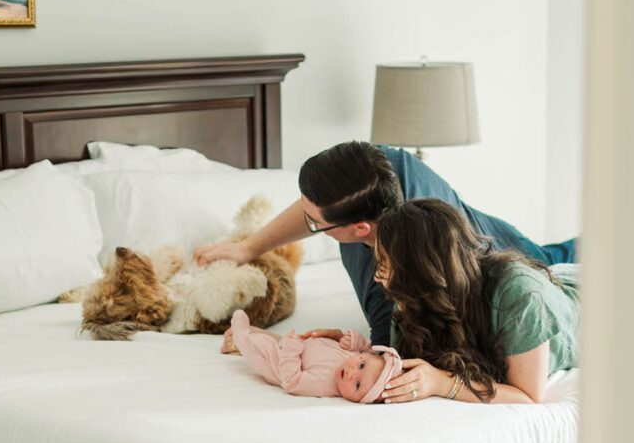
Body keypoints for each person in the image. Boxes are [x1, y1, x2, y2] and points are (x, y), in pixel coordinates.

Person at [194, 142, 578, 346]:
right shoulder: (369, 169)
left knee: (554, 263)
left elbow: (384, 359)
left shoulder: (396, 288)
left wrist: (276, 345)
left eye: (316, 224)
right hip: (473, 229)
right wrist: (249, 248)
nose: (309, 225)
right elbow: (317, 205)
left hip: (498, 252)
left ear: (361, 228)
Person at [372, 199, 580, 405]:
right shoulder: (414, 300)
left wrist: (442, 383)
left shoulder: (520, 295)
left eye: (383, 266)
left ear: (418, 272)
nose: (375, 277)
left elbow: (527, 396)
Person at [222, 309, 402, 403]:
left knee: (257, 347)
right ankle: (241, 340)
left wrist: (291, 350)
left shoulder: (324, 384)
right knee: (273, 340)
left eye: (357, 385)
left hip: (278, 361)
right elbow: (368, 347)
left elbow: (291, 381)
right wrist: (353, 340)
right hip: (294, 344)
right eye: (362, 365)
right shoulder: (356, 356)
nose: (352, 373)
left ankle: (240, 337)